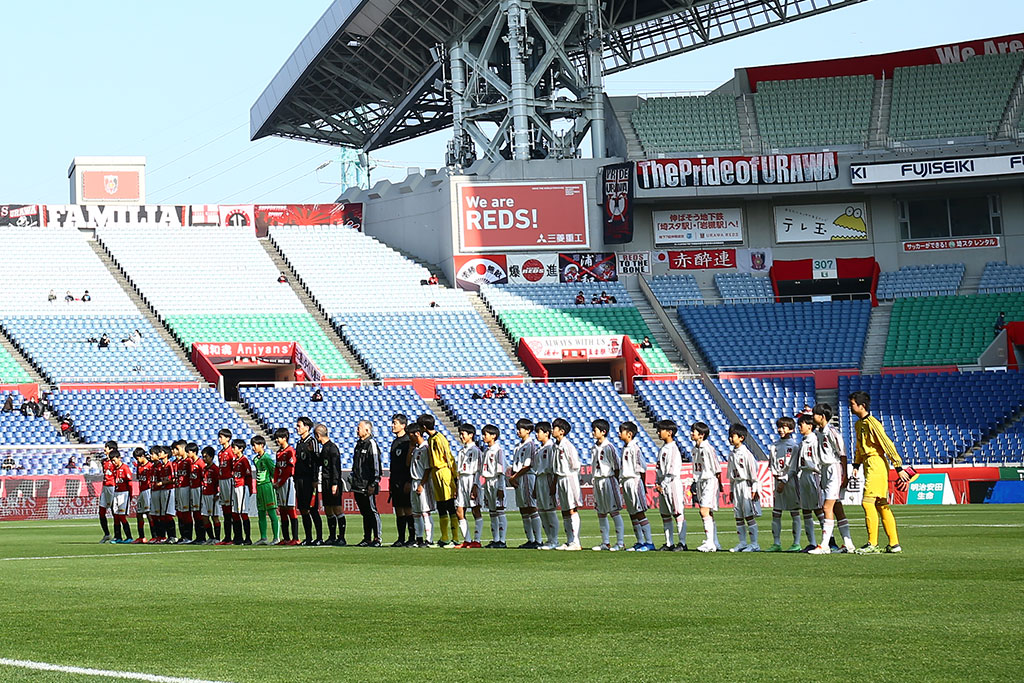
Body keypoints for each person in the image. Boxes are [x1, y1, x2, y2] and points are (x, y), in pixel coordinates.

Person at [849, 390, 909, 554]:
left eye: (853, 404)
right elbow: (859, 447)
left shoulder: (873, 423)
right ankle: (894, 544)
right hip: (868, 463)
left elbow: (886, 443)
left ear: (862, 406)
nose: (850, 407)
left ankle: (872, 543)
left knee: (867, 502)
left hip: (876, 462)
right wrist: (856, 465)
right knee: (881, 504)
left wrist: (898, 466)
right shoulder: (859, 424)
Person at [811, 403, 855, 554]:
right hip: (825, 469)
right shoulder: (818, 433)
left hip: (834, 468)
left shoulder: (832, 432)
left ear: (822, 416)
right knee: (837, 507)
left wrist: (845, 475)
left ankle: (824, 545)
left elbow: (842, 454)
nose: (812, 417)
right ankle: (848, 543)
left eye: (814, 414)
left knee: (826, 507)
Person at [765, 417, 803, 553]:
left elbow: (794, 467)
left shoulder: (794, 446)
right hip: (778, 481)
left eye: (785, 427)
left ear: (791, 429)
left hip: (790, 482)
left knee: (794, 512)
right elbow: (771, 464)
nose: (781, 429)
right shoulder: (774, 445)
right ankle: (776, 543)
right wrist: (777, 477)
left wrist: (784, 480)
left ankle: (796, 543)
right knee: (776, 512)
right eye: (780, 427)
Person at [420, 413, 458, 548]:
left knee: (449, 504)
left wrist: (454, 476)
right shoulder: (431, 439)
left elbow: (449, 457)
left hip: (444, 471)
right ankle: (445, 537)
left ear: (424, 427)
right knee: (441, 505)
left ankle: (456, 538)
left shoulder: (440, 438)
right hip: (435, 473)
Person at [789, 414, 825, 551]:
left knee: (818, 508)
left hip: (814, 474)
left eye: (801, 424)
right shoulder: (801, 444)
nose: (799, 427)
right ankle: (812, 542)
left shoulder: (815, 441)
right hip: (803, 475)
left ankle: (827, 540)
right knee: (806, 510)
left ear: (810, 426)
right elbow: (795, 465)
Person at [590, 419, 625, 551]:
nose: (593, 432)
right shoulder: (594, 447)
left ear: (603, 432)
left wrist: (615, 481)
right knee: (601, 512)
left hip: (608, 479)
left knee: (614, 511)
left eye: (595, 430)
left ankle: (620, 542)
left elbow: (616, 467)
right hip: (598, 480)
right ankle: (605, 542)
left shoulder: (609, 447)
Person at [618, 421, 654, 551]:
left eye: (621, 431)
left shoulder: (635, 448)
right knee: (632, 512)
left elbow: (642, 468)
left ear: (629, 434)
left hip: (634, 480)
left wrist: (642, 486)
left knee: (639, 512)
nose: (618, 433)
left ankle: (649, 542)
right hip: (626, 481)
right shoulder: (624, 448)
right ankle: (640, 541)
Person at [727, 424, 760, 553]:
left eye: (733, 436)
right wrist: (731, 489)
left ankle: (755, 544)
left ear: (741, 438)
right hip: (736, 485)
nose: (730, 438)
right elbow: (730, 473)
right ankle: (742, 542)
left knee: (748, 515)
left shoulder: (747, 454)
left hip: (746, 485)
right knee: (738, 515)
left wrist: (754, 489)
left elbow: (753, 474)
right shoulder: (731, 454)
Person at [509, 418, 541, 549]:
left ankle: (538, 540)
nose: (518, 431)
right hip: (518, 477)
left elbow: (528, 465)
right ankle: (530, 539)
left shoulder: (531, 445)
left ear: (528, 431)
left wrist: (514, 477)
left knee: (531, 507)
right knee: (523, 509)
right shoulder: (518, 446)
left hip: (527, 477)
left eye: (520, 429)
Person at [654, 419, 686, 552]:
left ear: (669, 432)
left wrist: (663, 483)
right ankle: (669, 543)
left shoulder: (674, 449)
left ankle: (682, 543)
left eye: (661, 430)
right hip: (663, 484)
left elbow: (672, 470)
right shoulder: (663, 449)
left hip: (671, 484)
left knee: (677, 512)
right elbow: (659, 467)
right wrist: (658, 482)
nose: (658, 432)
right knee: (665, 514)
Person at [551, 418, 582, 551]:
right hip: (560, 478)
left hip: (569, 477)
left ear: (561, 431)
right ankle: (569, 540)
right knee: (564, 510)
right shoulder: (555, 446)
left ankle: (576, 541)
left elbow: (574, 464)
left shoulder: (568, 446)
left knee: (571, 509)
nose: (552, 430)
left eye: (554, 428)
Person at [691, 421, 722, 553]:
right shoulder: (695, 449)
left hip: (709, 480)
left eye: (694, 431)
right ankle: (714, 542)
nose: (692, 433)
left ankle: (710, 543)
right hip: (700, 481)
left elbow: (717, 468)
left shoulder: (708, 449)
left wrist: (718, 484)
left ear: (701, 435)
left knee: (704, 511)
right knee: (708, 512)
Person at [351, 420, 383, 547]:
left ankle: (377, 538)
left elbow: (376, 465)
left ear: (367, 430)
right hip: (358, 484)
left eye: (359, 428)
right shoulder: (359, 444)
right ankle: (367, 537)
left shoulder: (371, 444)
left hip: (367, 485)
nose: (357, 430)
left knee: (372, 510)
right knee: (364, 512)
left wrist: (373, 483)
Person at [452, 423, 483, 549]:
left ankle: (477, 540)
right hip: (462, 480)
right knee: (459, 511)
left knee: (475, 509)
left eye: (463, 434)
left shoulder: (476, 451)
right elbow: (459, 471)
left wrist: (475, 484)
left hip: (471, 479)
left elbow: (478, 470)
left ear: (471, 435)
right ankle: (467, 540)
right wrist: (457, 486)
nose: (461, 436)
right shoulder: (461, 451)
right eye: (460, 434)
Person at [294, 416, 323, 546]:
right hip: (299, 479)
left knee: (312, 508)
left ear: (307, 427)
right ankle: (308, 537)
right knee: (303, 509)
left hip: (309, 479)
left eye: (299, 425)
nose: (297, 428)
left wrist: (315, 478)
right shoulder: (299, 443)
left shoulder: (313, 442)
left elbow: (316, 461)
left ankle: (319, 537)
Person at [316, 423, 346, 546]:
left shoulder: (333, 448)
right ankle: (332, 536)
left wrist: (335, 483)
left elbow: (336, 467)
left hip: (333, 482)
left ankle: (342, 537)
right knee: (328, 509)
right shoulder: (324, 448)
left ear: (318, 435)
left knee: (337, 508)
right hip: (325, 482)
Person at [388, 414, 414, 547]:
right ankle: (401, 538)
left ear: (403, 425)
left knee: (408, 509)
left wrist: (409, 481)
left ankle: (412, 537)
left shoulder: (407, 442)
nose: (393, 425)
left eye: (395, 423)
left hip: (405, 480)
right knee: (398, 509)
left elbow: (409, 464)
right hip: (395, 480)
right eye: (393, 423)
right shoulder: (395, 442)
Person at [479, 424, 507, 548]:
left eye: (486, 434)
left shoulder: (498, 450)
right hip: (488, 482)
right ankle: (495, 539)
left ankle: (502, 540)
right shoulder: (487, 451)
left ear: (493, 436)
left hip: (496, 481)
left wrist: (501, 487)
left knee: (500, 510)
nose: (484, 437)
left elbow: (501, 470)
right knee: (492, 512)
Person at [533, 421, 559, 550]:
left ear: (547, 433)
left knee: (550, 510)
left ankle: (554, 540)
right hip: (539, 479)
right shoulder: (539, 449)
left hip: (548, 478)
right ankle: (548, 539)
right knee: (542, 511)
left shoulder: (551, 448)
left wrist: (553, 483)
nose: (537, 435)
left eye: (539, 432)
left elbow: (553, 467)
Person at [408, 422, 435, 547]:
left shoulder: (425, 448)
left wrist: (422, 484)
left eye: (411, 435)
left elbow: (427, 468)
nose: (410, 438)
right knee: (416, 512)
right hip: (414, 481)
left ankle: (429, 538)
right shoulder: (416, 448)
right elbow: (408, 464)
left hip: (421, 482)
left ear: (417, 434)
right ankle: (419, 538)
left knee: (425, 511)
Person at [250, 436, 280, 546]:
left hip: (267, 486)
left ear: (262, 445)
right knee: (261, 512)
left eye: (255, 445)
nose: (253, 448)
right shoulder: (255, 459)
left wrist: (274, 483)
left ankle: (276, 537)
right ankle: (263, 537)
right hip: (259, 487)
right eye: (252, 445)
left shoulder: (267, 458)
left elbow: (273, 471)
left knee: (272, 512)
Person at [273, 428, 299, 546]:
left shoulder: (290, 451)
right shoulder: (279, 453)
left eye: (279, 437)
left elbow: (289, 469)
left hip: (288, 482)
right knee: (282, 509)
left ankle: (295, 538)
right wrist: (275, 481)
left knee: (290, 508)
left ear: (285, 438)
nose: (277, 440)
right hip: (279, 483)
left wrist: (281, 481)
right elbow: (277, 468)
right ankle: (286, 538)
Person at [228, 439, 255, 545]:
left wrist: (250, 489)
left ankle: (248, 538)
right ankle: (238, 537)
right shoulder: (234, 461)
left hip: (242, 487)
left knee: (243, 512)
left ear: (241, 449)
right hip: (235, 487)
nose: (233, 449)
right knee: (235, 513)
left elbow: (248, 475)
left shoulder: (244, 460)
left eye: (234, 447)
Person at [215, 429, 236, 545]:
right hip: (222, 481)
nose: (219, 439)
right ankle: (227, 537)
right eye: (219, 437)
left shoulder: (231, 451)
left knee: (230, 509)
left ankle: (232, 536)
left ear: (228, 438)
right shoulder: (220, 453)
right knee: (225, 509)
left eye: (222, 437)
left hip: (229, 481)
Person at [171, 441, 193, 544]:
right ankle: (183, 535)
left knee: (186, 512)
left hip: (185, 488)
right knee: (179, 512)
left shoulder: (188, 461)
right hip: (178, 488)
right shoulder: (178, 462)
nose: (176, 451)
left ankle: (188, 536)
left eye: (178, 449)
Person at [110, 450, 133, 544]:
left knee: (122, 516)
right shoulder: (114, 469)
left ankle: (129, 537)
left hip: (124, 494)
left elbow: (130, 483)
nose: (113, 462)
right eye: (111, 461)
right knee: (115, 516)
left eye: (114, 460)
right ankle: (117, 537)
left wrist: (130, 495)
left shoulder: (125, 468)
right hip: (116, 493)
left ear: (119, 458)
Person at [185, 442, 206, 545]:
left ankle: (202, 537)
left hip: (198, 489)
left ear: (193, 452)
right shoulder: (191, 463)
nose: (187, 454)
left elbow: (204, 476)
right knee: (194, 513)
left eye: (188, 452)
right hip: (192, 489)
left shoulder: (200, 463)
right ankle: (198, 537)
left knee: (198, 513)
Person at [199, 447, 220, 544]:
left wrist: (218, 493)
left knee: (214, 516)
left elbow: (219, 482)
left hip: (213, 495)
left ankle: (217, 538)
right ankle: (211, 537)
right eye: (203, 457)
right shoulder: (204, 469)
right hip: (204, 495)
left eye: (206, 457)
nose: (204, 459)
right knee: (204, 517)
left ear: (211, 457)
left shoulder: (215, 469)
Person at [97, 440, 118, 543]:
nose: (104, 449)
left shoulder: (116, 462)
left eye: (106, 447)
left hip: (112, 487)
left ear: (112, 449)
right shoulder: (104, 461)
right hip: (104, 487)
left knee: (115, 512)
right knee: (101, 512)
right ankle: (107, 534)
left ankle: (117, 535)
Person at [132, 448, 152, 543]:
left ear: (143, 456)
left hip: (148, 491)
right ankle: (141, 536)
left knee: (149, 514)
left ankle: (154, 536)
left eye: (138, 458)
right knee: (139, 513)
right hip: (142, 491)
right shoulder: (139, 466)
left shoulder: (150, 465)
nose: (138, 460)